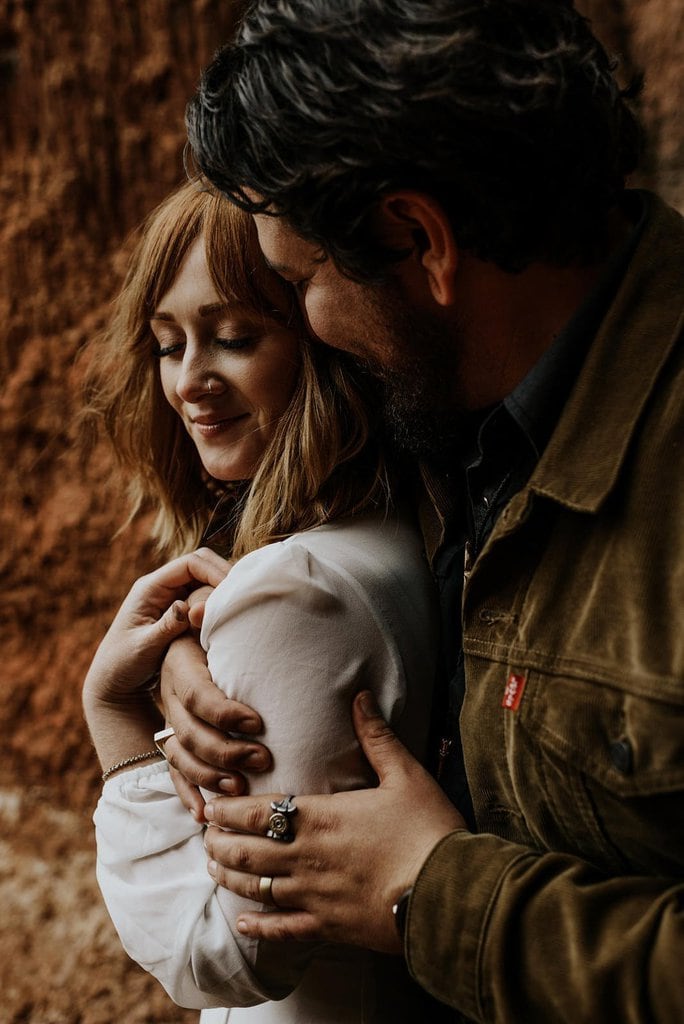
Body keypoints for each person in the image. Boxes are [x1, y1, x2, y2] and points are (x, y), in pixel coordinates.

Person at [158, 1, 684, 1022]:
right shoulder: (464, 403)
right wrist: (210, 653)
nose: (308, 327)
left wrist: (440, 897)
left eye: (299, 279)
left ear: (420, 239)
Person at [81, 180, 451, 1023]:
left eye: (235, 338)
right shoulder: (402, 523)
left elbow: (222, 950)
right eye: (168, 345)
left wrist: (113, 714)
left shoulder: (298, 590)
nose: (189, 382)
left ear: (323, 341)